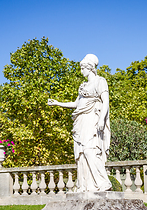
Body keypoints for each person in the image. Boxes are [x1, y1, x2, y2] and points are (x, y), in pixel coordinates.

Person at [48, 54, 112, 192]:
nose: (81, 71)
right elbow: (76, 104)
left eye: (82, 68)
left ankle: (103, 182)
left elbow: (105, 101)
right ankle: (85, 185)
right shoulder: (83, 85)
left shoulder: (100, 81)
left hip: (92, 118)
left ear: (89, 68)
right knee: (81, 153)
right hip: (81, 120)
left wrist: (101, 119)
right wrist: (57, 103)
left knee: (90, 150)